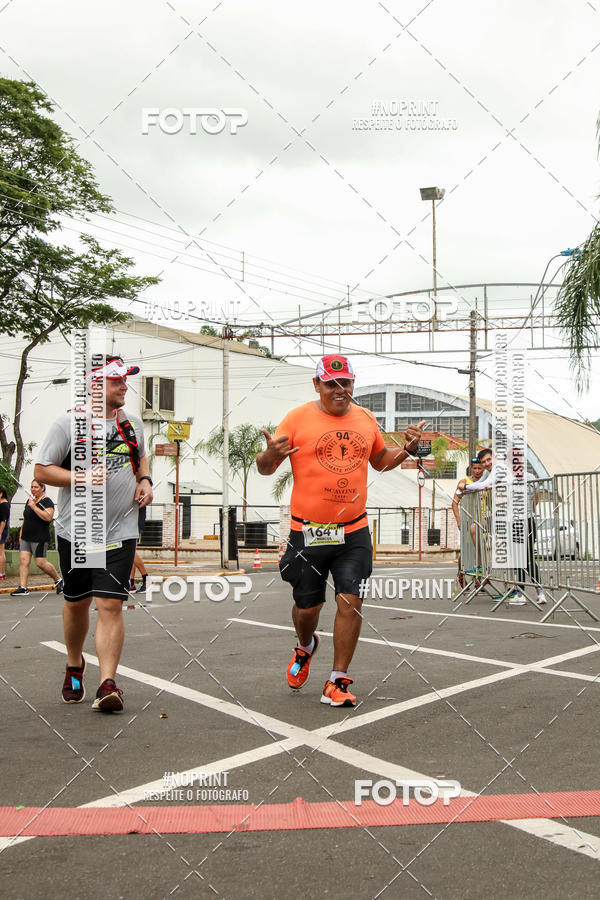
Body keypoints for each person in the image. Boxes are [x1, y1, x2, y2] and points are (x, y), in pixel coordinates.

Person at [256, 354, 423, 708]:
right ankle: (305, 645)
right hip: (308, 533)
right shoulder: (298, 419)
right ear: (317, 384)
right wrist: (268, 455)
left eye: (345, 382)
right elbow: (267, 469)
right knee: (307, 608)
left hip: (354, 532)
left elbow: (379, 461)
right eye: (331, 383)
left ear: (352, 384)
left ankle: (337, 680)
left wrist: (406, 450)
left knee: (351, 600)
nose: (339, 389)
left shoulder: (365, 418)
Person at [34, 355, 153, 712]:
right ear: (96, 385)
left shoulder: (132, 424)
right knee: (77, 603)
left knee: (111, 604)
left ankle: (108, 683)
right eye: (117, 381)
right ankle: (74, 663)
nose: (124, 387)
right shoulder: (68, 424)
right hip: (78, 531)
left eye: (124, 380)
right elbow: (41, 470)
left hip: (121, 530)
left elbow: (142, 458)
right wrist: (81, 477)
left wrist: (145, 480)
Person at [457, 447, 546, 606]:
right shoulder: (512, 474)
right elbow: (482, 485)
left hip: (522, 521)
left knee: (524, 559)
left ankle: (531, 592)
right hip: (518, 520)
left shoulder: (515, 477)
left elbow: (534, 498)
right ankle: (528, 592)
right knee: (522, 558)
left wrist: (467, 487)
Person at [10, 479, 63, 596]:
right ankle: (23, 587)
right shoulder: (29, 501)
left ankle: (58, 580)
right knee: (24, 561)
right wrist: (21, 532)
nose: (33, 489)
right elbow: (26, 517)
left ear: (42, 488)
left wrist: (34, 507)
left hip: (39, 537)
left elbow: (48, 517)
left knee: (40, 562)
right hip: (26, 537)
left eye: (36, 487)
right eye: (32, 487)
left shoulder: (47, 501)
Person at [452, 457, 484, 585]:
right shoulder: (464, 482)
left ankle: (478, 580)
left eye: (479, 468)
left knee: (480, 549)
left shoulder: (486, 483)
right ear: (471, 468)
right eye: (475, 468)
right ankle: (461, 573)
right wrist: (459, 521)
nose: (477, 471)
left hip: (481, 521)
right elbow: (454, 503)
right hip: (466, 521)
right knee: (466, 551)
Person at [0, 486, 10, 579]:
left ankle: (1, 573)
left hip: (1, 530)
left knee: (1, 552)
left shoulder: (4, 505)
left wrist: (0, 533)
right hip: (2, 530)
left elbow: (3, 520)